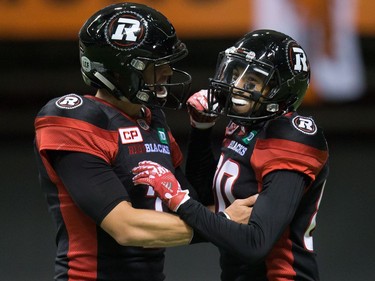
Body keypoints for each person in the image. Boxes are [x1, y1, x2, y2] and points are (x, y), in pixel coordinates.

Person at [33, 3, 256, 281]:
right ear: (119, 70)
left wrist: (201, 131)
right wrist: (225, 223)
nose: (167, 72)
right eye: (155, 64)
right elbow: (125, 227)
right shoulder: (74, 117)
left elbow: (193, 205)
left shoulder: (152, 119)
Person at [132, 29, 329, 280]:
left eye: (250, 82)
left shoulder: (291, 134)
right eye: (235, 74)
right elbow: (205, 197)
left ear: (280, 90)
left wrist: (178, 200)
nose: (235, 87)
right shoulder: (244, 125)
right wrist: (201, 130)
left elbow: (255, 243)